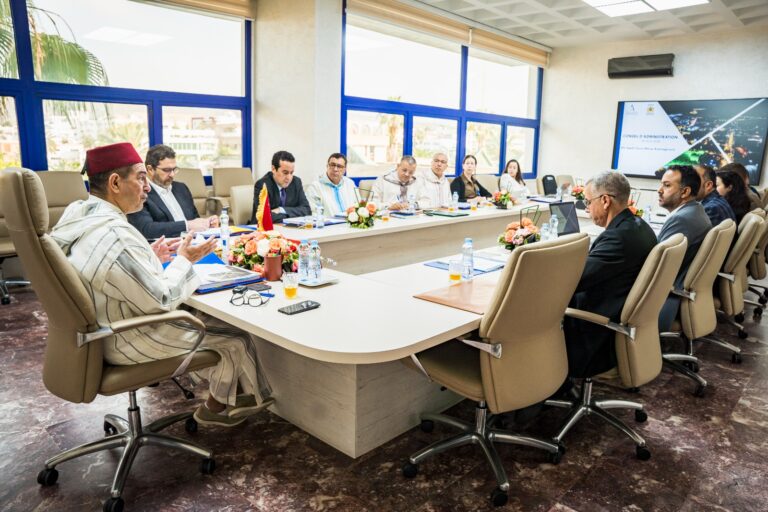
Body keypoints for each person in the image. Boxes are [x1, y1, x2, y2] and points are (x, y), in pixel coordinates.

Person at [51, 142, 272, 428]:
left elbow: (107, 271)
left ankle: (222, 397)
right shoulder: (115, 235)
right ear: (115, 183)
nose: (147, 187)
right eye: (141, 178)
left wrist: (147, 257)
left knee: (204, 318)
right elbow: (162, 299)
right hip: (126, 338)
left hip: (95, 332)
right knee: (237, 337)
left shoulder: (80, 214)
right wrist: (185, 260)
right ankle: (219, 407)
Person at [563, 171, 657, 378]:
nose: (587, 209)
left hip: (593, 332)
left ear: (605, 201)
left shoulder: (618, 239)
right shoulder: (639, 226)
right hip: (613, 316)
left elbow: (572, 282)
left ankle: (543, 385)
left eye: (588, 202)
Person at [656, 165, 712, 330]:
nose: (659, 190)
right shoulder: (695, 210)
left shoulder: (681, 220)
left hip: (663, 299)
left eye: (667, 185)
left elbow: (654, 266)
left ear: (685, 192)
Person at [127, 144, 219, 239]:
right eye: (167, 170)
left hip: (194, 240)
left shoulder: (181, 188)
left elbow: (194, 219)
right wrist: (186, 226)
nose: (172, 175)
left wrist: (207, 223)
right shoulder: (139, 193)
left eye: (174, 169)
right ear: (150, 169)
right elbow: (147, 229)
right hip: (168, 245)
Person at [250, 150, 311, 224]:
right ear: (273, 169)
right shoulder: (262, 185)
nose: (289, 178)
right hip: (263, 228)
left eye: (291, 173)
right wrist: (293, 215)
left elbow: (307, 210)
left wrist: (281, 210)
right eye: (285, 173)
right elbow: (264, 216)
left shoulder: (296, 182)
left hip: (287, 228)